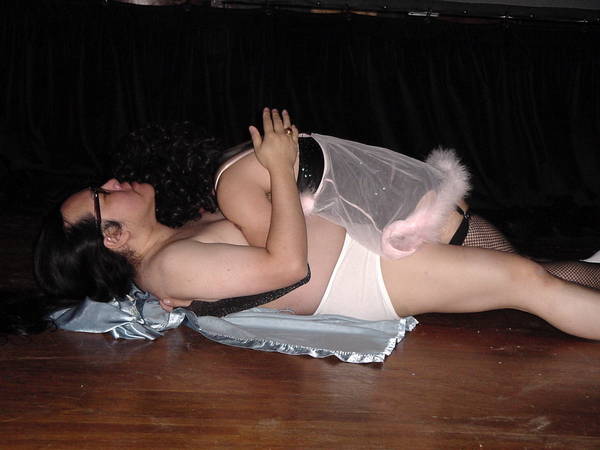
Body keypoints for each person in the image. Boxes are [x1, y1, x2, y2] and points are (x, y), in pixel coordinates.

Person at [5, 109, 600, 341]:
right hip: (365, 275)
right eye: (103, 197)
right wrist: (279, 171)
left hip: (366, 253)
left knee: (533, 275)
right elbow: (289, 266)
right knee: (525, 281)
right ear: (113, 237)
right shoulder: (168, 266)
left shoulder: (175, 242)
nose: (113, 183)